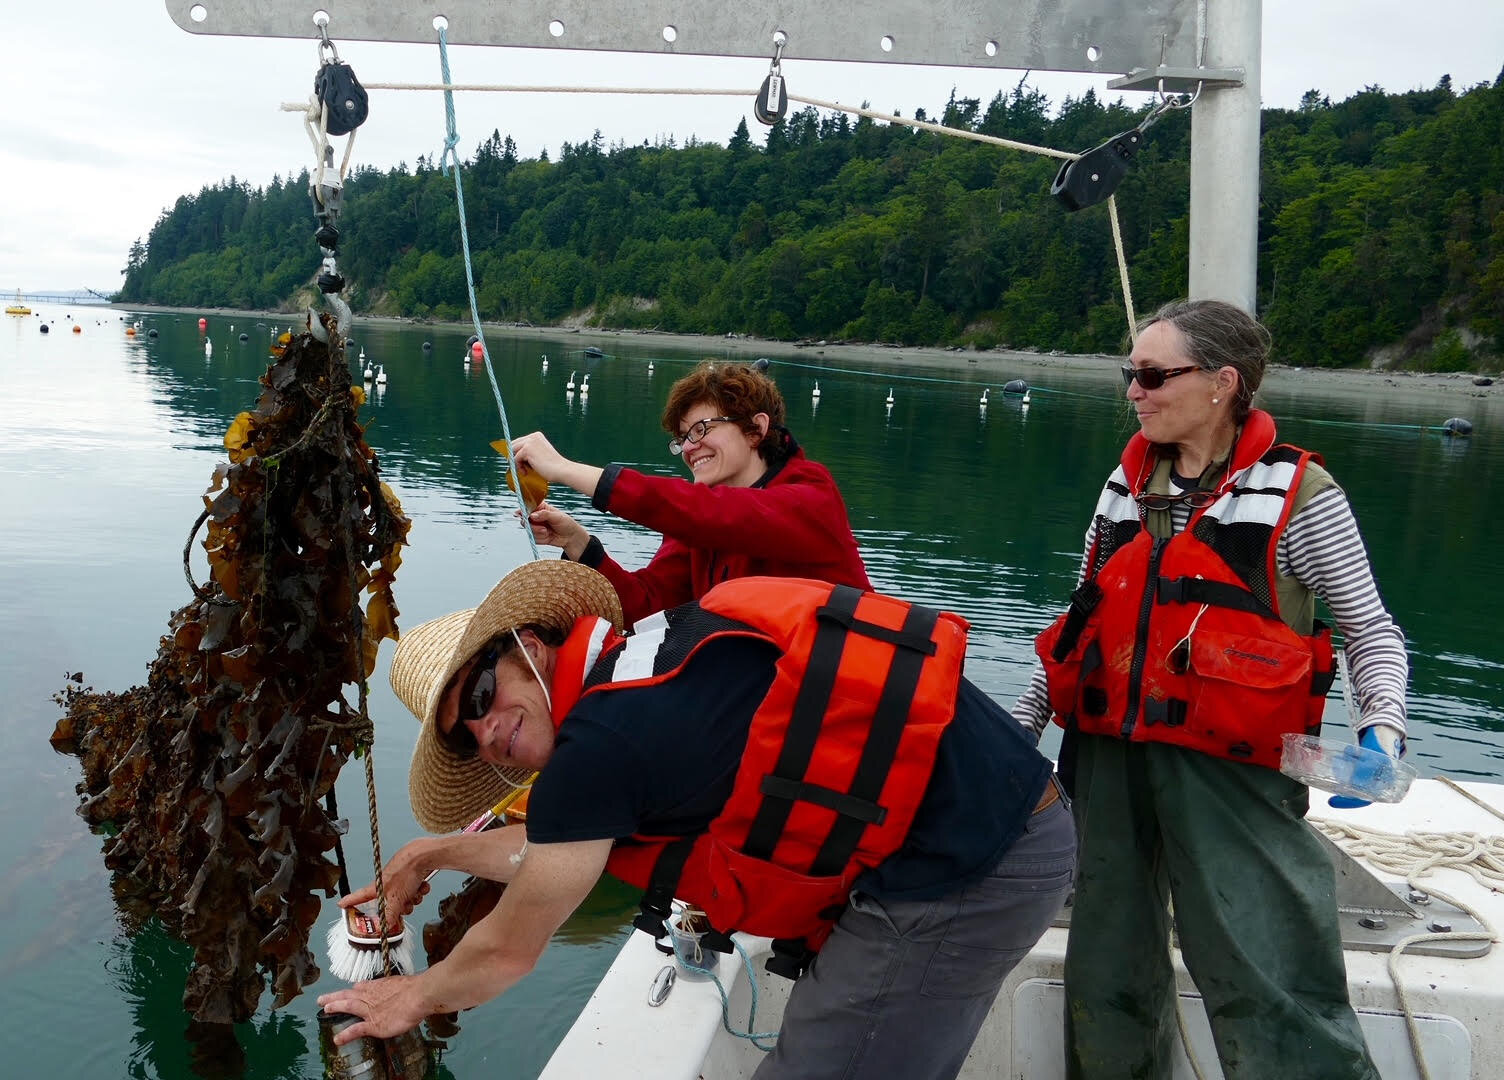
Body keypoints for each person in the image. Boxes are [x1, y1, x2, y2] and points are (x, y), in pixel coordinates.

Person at [318, 560, 1075, 1080]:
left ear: (531, 645)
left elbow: (506, 950)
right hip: (996, 825)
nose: (485, 731)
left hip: (971, 870)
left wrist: (408, 998)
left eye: (480, 696)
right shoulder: (643, 663)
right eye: (463, 735)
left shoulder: (601, 747)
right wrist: (430, 856)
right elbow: (555, 852)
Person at [1012, 299, 1409, 1079]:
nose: (1135, 390)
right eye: (1131, 374)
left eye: (1154, 374)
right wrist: (1015, 734)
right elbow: (1078, 626)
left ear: (1224, 382)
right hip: (1106, 765)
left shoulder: (1302, 495)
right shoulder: (1122, 487)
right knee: (1107, 970)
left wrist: (1383, 730)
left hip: (1230, 774)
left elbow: (1371, 629)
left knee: (1269, 971)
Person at [507, 360, 871, 628]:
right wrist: (578, 542)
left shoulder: (811, 496)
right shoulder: (696, 525)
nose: (689, 447)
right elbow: (644, 605)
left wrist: (566, 469)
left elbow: (719, 514)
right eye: (682, 438)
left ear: (756, 429)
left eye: (701, 429)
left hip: (851, 700)